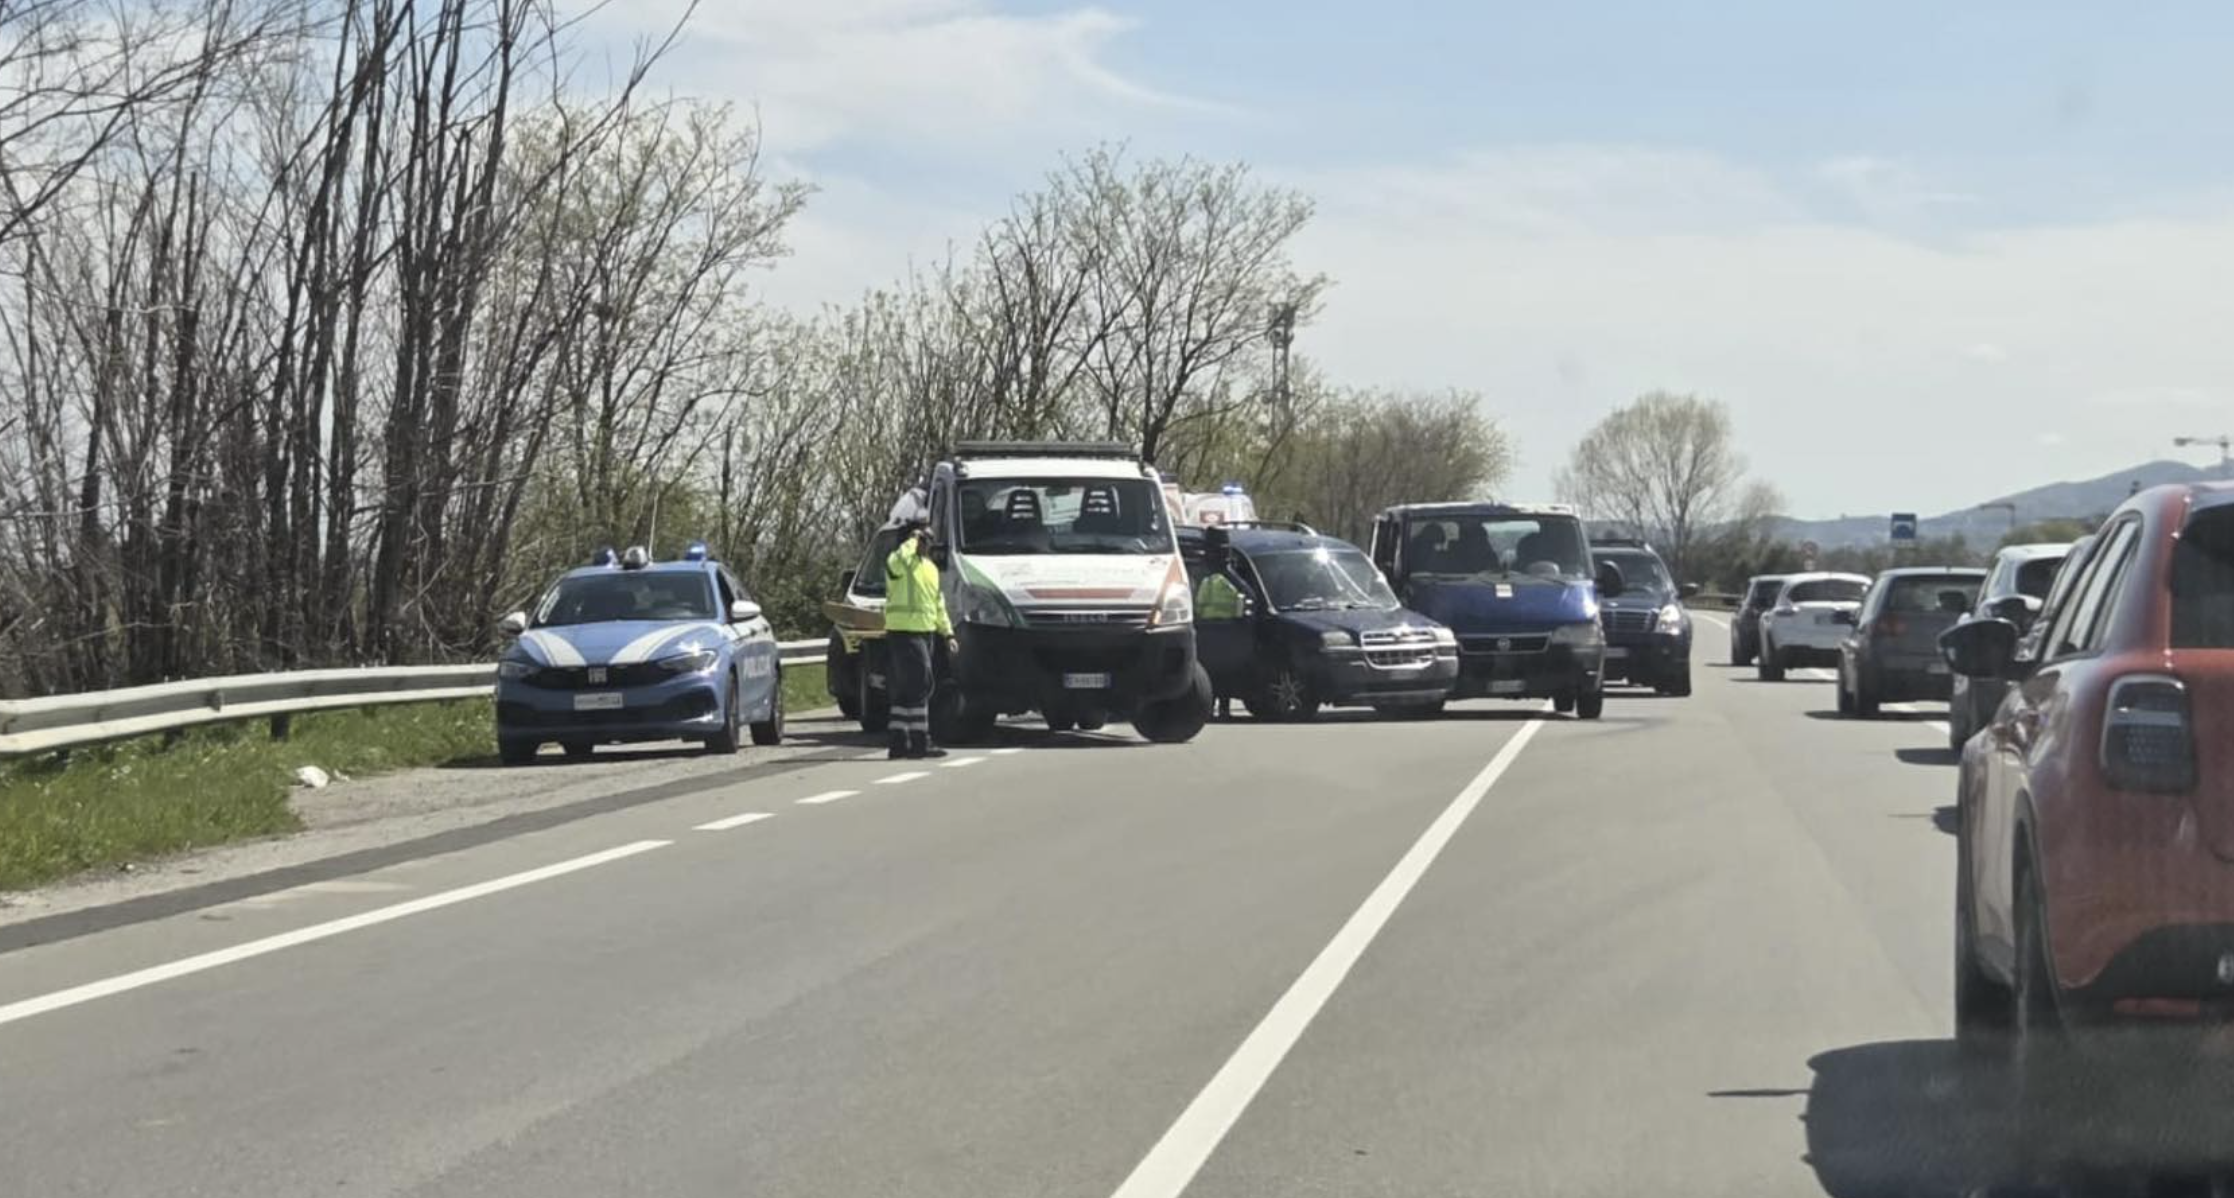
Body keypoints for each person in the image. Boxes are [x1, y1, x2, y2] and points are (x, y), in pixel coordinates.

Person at [883, 515, 956, 759]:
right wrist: (911, 540)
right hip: (903, 632)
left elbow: (938, 604)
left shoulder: (930, 569)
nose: (928, 543)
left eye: (929, 539)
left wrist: (948, 633)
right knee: (921, 684)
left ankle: (898, 741)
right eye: (924, 538)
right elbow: (896, 561)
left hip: (925, 632)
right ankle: (919, 741)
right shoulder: (900, 562)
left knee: (908, 689)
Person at [1193, 568, 1246, 719]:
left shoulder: (1207, 582)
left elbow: (1199, 605)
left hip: (1209, 630)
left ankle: (1209, 709)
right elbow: (1239, 604)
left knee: (1211, 672)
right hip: (1229, 630)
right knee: (1226, 672)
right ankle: (1224, 709)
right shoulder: (1232, 583)